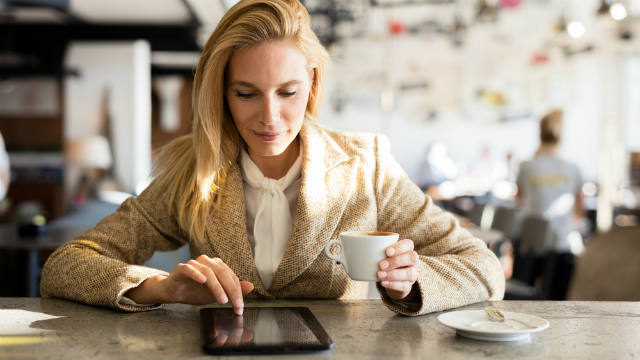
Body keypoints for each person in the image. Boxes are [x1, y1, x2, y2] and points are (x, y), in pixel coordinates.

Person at [41, 0, 504, 316]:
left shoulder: (368, 165)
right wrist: (160, 287)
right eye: (246, 93)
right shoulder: (192, 169)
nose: (270, 117)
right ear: (221, 94)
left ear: (312, 85)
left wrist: (413, 280)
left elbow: (483, 268)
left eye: (288, 92)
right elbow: (67, 265)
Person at [515, 109, 584, 299]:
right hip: (561, 243)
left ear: (540, 133)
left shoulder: (526, 166)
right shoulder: (572, 168)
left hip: (529, 244)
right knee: (558, 297)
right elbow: (580, 208)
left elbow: (519, 198)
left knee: (523, 297)